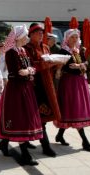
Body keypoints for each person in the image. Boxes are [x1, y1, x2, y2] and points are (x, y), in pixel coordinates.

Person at [0, 25, 43, 166]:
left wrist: (28, 71)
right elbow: (16, 72)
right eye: (25, 35)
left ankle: (4, 143)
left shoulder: (23, 50)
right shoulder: (11, 53)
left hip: (25, 88)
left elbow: (32, 68)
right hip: (16, 89)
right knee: (19, 119)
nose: (27, 37)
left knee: (22, 118)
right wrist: (27, 71)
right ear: (19, 37)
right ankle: (25, 155)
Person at [54, 29, 90, 152]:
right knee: (73, 109)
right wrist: (79, 66)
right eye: (72, 37)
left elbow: (84, 65)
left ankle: (60, 135)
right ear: (67, 38)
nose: (75, 39)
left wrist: (80, 66)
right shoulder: (63, 51)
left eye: (76, 37)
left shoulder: (77, 50)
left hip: (79, 82)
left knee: (74, 110)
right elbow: (62, 67)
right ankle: (85, 142)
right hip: (69, 83)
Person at [24, 22, 61, 157]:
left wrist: (57, 64)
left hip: (46, 84)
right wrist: (48, 64)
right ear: (31, 34)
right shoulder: (26, 48)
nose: (41, 35)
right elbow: (30, 66)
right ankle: (45, 146)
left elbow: (49, 63)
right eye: (38, 33)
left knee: (42, 117)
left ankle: (7, 142)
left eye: (42, 33)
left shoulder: (46, 47)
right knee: (37, 117)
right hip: (34, 86)